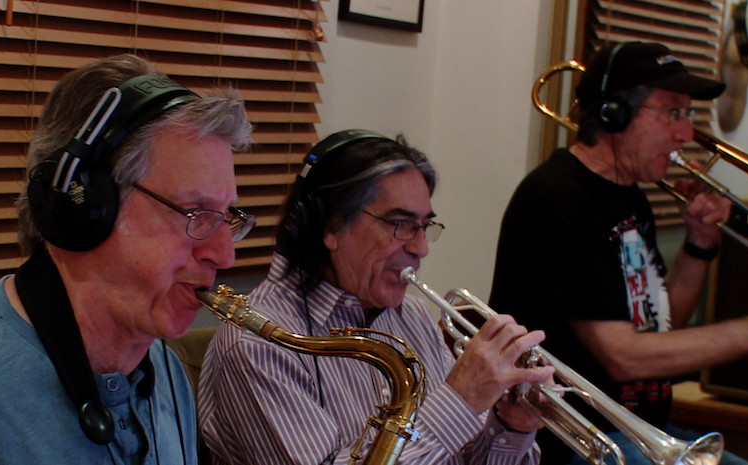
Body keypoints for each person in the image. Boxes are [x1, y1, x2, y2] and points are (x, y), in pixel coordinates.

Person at [488, 41, 748, 465]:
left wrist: (699, 243)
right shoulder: (557, 198)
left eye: (688, 114)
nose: (687, 134)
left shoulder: (630, 196)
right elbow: (624, 358)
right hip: (576, 440)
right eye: (673, 113)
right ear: (614, 114)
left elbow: (658, 327)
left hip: (643, 430)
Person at [198, 129, 557, 464]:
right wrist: (459, 403)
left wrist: (511, 426)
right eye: (401, 225)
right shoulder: (257, 344)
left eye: (424, 227)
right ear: (330, 226)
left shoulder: (412, 315)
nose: (421, 248)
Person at [0, 54, 254, 464]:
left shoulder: (166, 372)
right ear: (80, 209)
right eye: (194, 212)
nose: (225, 254)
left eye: (226, 216)